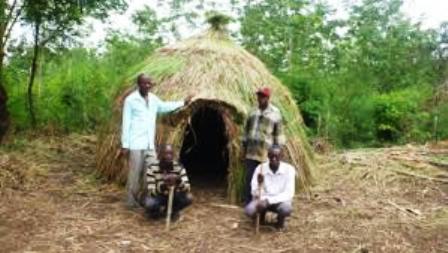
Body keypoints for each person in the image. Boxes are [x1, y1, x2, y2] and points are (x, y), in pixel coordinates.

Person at [121, 73, 193, 208]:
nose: (147, 86)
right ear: (139, 84)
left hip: (149, 143)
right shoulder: (131, 100)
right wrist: (125, 144)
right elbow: (126, 122)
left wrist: (183, 103)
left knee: (152, 172)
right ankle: (131, 203)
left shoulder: (153, 99)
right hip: (135, 143)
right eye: (144, 83)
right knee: (134, 174)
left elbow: (164, 106)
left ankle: (148, 199)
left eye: (149, 83)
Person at [241, 87, 285, 204]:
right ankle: (248, 203)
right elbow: (246, 131)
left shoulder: (275, 113)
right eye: (259, 96)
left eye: (263, 96)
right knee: (250, 178)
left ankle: (263, 202)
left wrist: (276, 153)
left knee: (264, 178)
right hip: (251, 152)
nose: (260, 98)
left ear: (268, 98)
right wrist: (244, 148)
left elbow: (278, 135)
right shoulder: (252, 111)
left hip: (265, 154)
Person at [244, 145, 295, 230]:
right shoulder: (260, 169)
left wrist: (269, 201)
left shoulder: (289, 170)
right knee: (249, 210)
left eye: (277, 156)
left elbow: (288, 193)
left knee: (286, 209)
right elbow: (254, 190)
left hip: (280, 202)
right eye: (271, 156)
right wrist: (259, 186)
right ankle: (261, 218)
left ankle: (280, 222)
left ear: (282, 156)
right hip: (263, 200)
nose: (274, 159)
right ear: (268, 156)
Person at [144, 144, 192, 220]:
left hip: (175, 195)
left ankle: (173, 210)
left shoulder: (179, 167)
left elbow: (187, 188)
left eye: (171, 153)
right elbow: (151, 191)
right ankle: (155, 213)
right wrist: (164, 186)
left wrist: (178, 181)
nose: (169, 156)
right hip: (159, 196)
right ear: (159, 155)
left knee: (188, 198)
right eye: (166, 153)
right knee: (150, 203)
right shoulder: (152, 168)